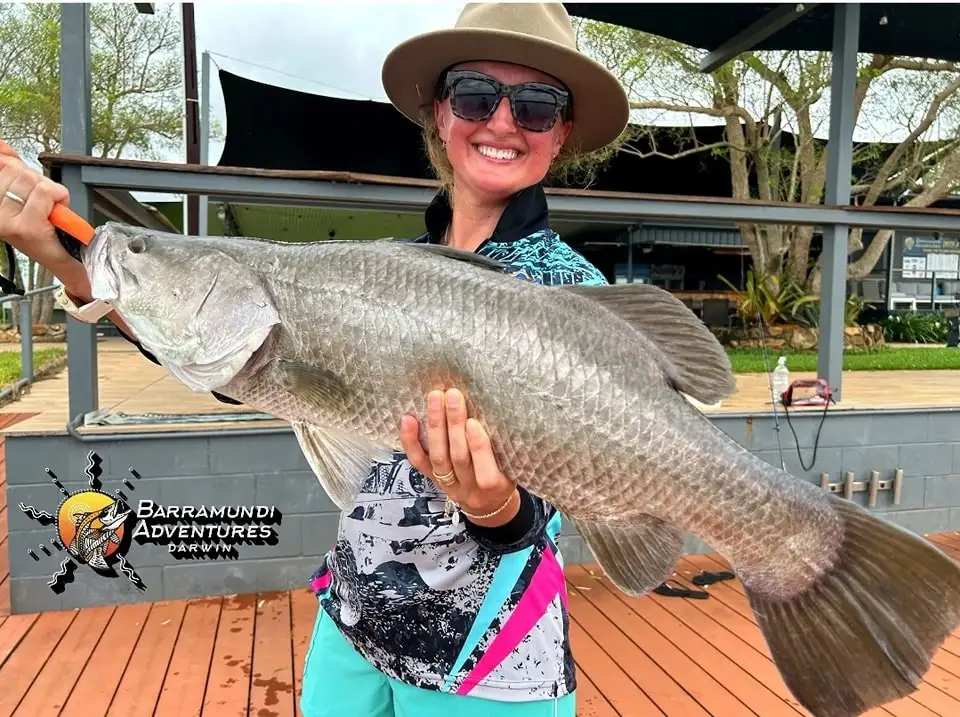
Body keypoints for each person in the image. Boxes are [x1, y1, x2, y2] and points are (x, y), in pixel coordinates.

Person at [0, 3, 629, 715]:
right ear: (440, 112)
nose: (504, 121)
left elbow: (555, 503)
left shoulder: (573, 290)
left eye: (539, 105)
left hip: (490, 661)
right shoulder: (388, 266)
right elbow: (237, 359)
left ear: (564, 130)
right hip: (354, 621)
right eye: (477, 94)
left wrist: (496, 509)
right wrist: (68, 257)